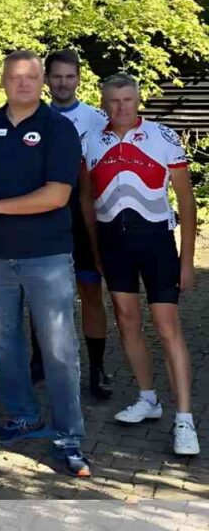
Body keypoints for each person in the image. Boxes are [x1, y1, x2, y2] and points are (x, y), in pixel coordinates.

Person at [0, 50, 90, 477]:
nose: (23, 83)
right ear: (4, 80)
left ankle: (69, 436)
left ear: (42, 81)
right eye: (15, 77)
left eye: (31, 77)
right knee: (5, 344)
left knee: (59, 350)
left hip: (45, 256)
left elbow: (56, 196)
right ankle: (25, 415)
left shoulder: (59, 129)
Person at [80, 73, 200, 456]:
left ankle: (185, 418)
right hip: (114, 244)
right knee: (127, 321)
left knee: (167, 327)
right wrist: (97, 250)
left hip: (156, 244)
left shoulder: (163, 137)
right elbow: (87, 200)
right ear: (103, 103)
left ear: (137, 101)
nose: (121, 108)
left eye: (128, 100)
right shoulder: (91, 141)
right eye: (113, 102)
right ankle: (148, 398)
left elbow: (186, 201)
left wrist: (186, 262)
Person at [42, 50, 112, 399]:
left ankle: (97, 367)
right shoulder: (33, 117)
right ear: (46, 79)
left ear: (79, 78)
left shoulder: (97, 119)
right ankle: (40, 358)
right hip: (42, 212)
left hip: (84, 213)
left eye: (69, 76)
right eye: (57, 76)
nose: (63, 83)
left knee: (89, 291)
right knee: (39, 290)